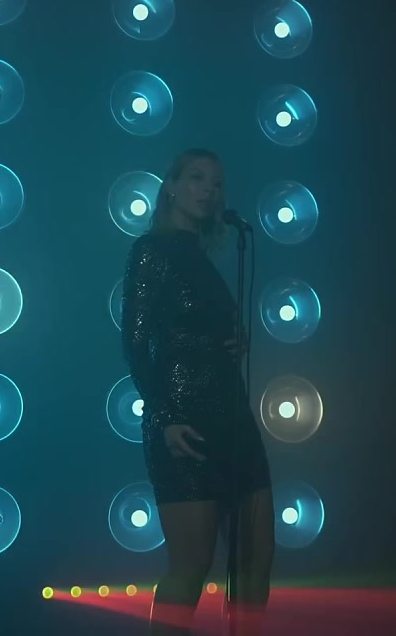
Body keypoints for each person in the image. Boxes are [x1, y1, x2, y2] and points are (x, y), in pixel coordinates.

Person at [121, 149, 274, 636]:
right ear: (170, 186)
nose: (209, 189)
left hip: (231, 416)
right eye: (197, 178)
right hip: (183, 421)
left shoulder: (204, 258)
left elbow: (198, 330)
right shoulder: (152, 251)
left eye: (217, 183)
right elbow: (135, 343)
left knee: (256, 558)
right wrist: (165, 415)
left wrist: (234, 339)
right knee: (192, 565)